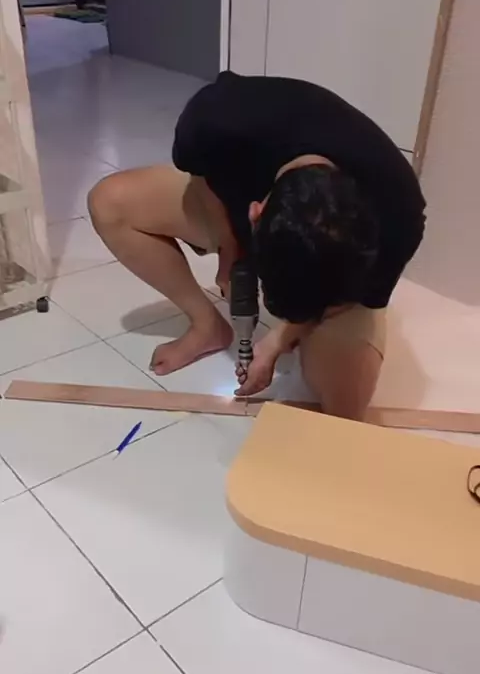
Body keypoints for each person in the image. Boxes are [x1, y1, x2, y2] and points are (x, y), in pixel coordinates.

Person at [88, 71, 426, 420]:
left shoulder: (398, 217)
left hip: (341, 268)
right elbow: (203, 177)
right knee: (111, 204)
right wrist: (228, 249)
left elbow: (351, 297)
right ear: (255, 212)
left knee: (343, 406)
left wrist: (277, 341)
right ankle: (207, 326)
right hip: (234, 186)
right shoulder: (218, 119)